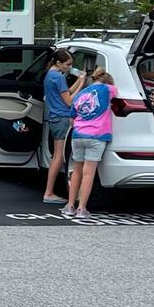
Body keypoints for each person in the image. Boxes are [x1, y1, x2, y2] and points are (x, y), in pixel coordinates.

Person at [63, 65, 114, 218]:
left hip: (78, 135)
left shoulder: (82, 94)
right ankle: (82, 208)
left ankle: (70, 205)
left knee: (77, 170)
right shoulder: (108, 89)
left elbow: (71, 118)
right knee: (89, 173)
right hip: (97, 136)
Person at [40, 48, 74, 205]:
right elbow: (69, 101)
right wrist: (82, 85)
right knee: (59, 156)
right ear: (59, 63)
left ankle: (49, 190)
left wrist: (79, 83)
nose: (70, 67)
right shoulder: (59, 77)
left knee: (57, 155)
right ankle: (49, 192)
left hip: (53, 117)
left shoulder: (50, 75)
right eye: (68, 64)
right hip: (62, 118)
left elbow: (64, 93)